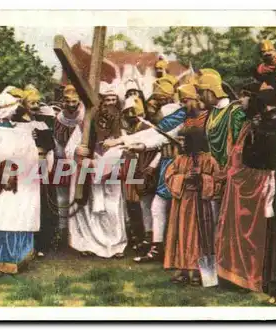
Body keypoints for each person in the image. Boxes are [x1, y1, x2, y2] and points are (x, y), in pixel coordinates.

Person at [105, 78, 187, 263]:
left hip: (175, 163)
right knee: (155, 206)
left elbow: (158, 136)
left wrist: (123, 142)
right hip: (166, 163)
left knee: (165, 207)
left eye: (158, 99)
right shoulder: (174, 113)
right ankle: (157, 245)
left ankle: (169, 248)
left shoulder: (174, 113)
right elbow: (157, 138)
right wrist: (136, 145)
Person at [0, 92, 46, 277]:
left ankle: (0, 260)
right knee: (2, 215)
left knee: (2, 215)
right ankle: (1, 260)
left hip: (7, 180)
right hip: (2, 181)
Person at [216, 97, 276, 296]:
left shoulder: (258, 129)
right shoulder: (249, 127)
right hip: (242, 185)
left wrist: (234, 174)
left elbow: (254, 160)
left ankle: (246, 276)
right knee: (239, 230)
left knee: (248, 231)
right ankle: (235, 276)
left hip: (251, 184)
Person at [67, 101, 127, 259]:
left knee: (111, 208)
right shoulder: (83, 128)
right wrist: (76, 150)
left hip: (110, 178)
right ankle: (86, 243)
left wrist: (101, 163)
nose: (103, 124)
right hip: (87, 176)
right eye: (100, 119)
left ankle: (114, 244)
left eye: (108, 120)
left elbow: (123, 152)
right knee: (87, 210)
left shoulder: (120, 134)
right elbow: (70, 148)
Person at [164, 127, 220, 285]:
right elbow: (169, 176)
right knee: (181, 236)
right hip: (182, 204)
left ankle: (199, 274)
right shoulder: (180, 159)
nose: (180, 143)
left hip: (200, 203)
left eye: (183, 140)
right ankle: (182, 271)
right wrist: (183, 177)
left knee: (200, 237)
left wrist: (202, 178)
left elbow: (218, 179)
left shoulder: (208, 159)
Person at [196, 70, 247, 228]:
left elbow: (240, 146)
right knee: (215, 220)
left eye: (201, 92)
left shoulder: (236, 112)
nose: (199, 97)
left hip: (232, 175)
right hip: (214, 175)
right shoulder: (211, 113)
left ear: (211, 91)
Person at [11, 88, 57, 258]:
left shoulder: (42, 124)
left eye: (38, 103)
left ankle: (41, 244)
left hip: (41, 166)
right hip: (24, 168)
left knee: (42, 204)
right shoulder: (14, 124)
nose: (36, 106)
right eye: (32, 103)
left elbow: (50, 148)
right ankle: (24, 243)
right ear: (23, 104)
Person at [119, 95, 160, 255]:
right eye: (127, 112)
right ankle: (138, 237)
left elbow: (159, 148)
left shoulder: (148, 127)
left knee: (147, 204)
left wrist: (152, 166)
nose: (130, 115)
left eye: (133, 112)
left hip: (146, 167)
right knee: (132, 202)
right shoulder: (127, 128)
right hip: (131, 167)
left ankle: (149, 238)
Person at [52, 85, 85, 241]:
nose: (71, 105)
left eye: (74, 101)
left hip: (81, 161)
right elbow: (57, 141)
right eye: (67, 101)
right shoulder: (59, 118)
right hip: (63, 158)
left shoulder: (85, 116)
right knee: (62, 196)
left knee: (81, 195)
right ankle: (62, 228)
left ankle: (81, 231)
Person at [254, 39, 276, 109]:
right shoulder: (260, 68)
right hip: (266, 96)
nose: (267, 53)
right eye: (263, 52)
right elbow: (258, 83)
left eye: (270, 50)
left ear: (274, 51)